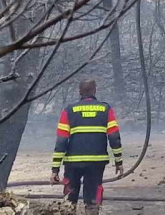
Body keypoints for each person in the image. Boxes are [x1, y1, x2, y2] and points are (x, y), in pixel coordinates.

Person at [51, 80, 124, 215]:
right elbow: (114, 137)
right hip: (96, 163)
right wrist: (119, 162)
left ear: (79, 92)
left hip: (73, 163)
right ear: (95, 90)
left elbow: (61, 141)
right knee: (92, 200)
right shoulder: (106, 110)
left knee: (69, 201)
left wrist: (55, 170)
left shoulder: (69, 111)